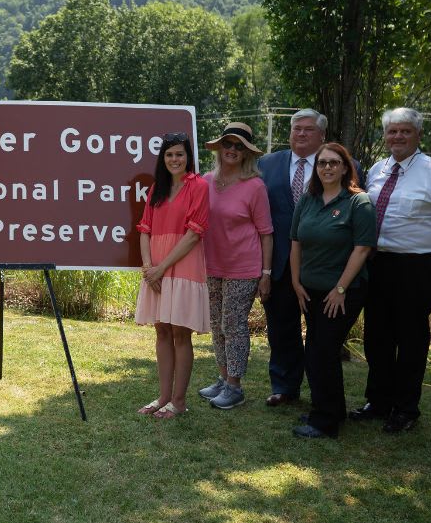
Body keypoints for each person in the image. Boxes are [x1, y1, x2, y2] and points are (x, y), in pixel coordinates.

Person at [356, 107, 431, 433]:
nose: (397, 137)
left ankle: (406, 408)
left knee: (410, 337)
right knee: (377, 335)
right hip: (378, 263)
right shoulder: (378, 170)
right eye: (392, 131)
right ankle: (378, 402)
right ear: (385, 135)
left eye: (405, 131)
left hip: (418, 265)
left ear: (419, 134)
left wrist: (429, 251)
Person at [289, 143, 376, 439]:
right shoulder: (308, 199)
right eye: (322, 163)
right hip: (310, 291)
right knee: (315, 349)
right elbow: (296, 242)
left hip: (342, 293)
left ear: (344, 167)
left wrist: (340, 288)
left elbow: (362, 249)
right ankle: (331, 409)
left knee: (323, 352)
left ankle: (325, 422)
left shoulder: (358, 202)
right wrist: (296, 283)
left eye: (334, 163)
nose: (327, 167)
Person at [133, 132, 210, 419]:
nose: (174, 159)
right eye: (169, 155)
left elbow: (194, 234)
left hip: (183, 265)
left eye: (179, 154)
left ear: (188, 157)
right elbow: (144, 229)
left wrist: (161, 268)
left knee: (180, 333)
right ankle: (163, 396)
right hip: (155, 269)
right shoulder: (158, 189)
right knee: (161, 330)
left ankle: (178, 401)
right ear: (162, 158)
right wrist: (148, 268)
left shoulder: (198, 186)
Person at [198, 122, 273, 410]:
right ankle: (223, 377)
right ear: (219, 148)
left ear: (246, 153)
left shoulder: (254, 186)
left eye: (238, 146)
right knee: (216, 325)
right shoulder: (205, 181)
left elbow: (266, 233)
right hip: (211, 264)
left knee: (234, 325)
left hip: (243, 267)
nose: (232, 150)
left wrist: (265, 274)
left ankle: (235, 386)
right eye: (227, 144)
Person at [258, 109, 326, 406]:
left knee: (321, 332)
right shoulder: (267, 164)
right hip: (279, 262)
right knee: (281, 328)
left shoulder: (337, 164)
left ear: (322, 135)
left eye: (308, 130)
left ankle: (322, 390)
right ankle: (284, 386)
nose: (301, 134)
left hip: (321, 264)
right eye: (296, 129)